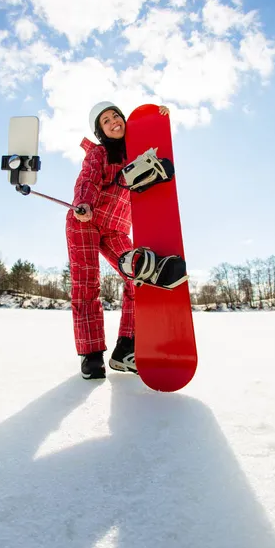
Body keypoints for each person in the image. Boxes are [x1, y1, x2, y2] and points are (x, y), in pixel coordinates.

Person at [66, 101, 170, 380]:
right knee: (87, 284)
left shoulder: (137, 152)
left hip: (116, 229)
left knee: (139, 276)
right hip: (85, 220)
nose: (114, 122)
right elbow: (86, 180)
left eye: (116, 116)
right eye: (106, 121)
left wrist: (157, 119)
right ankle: (91, 356)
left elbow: (159, 148)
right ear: (101, 131)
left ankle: (126, 348)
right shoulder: (99, 153)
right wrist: (84, 204)